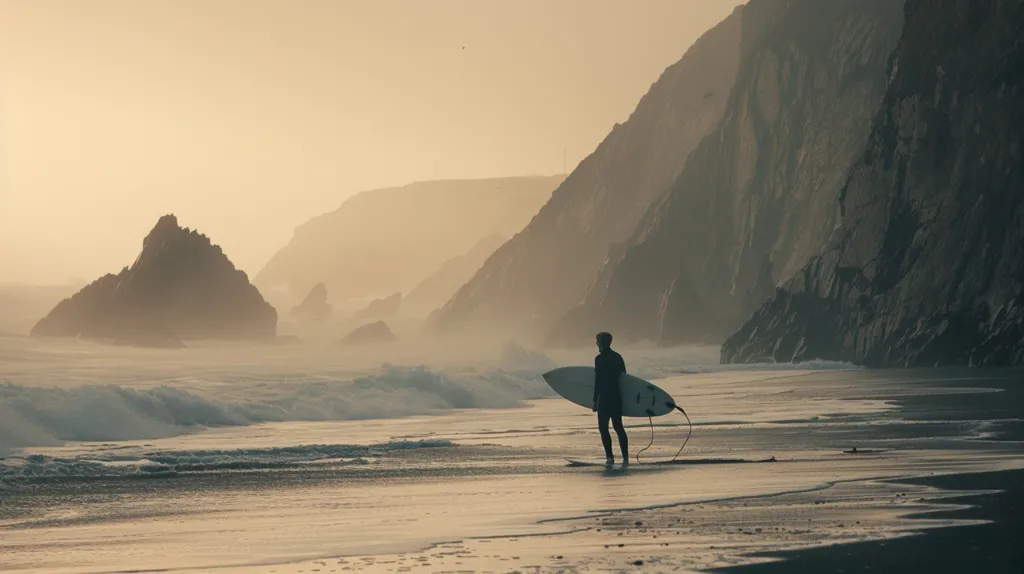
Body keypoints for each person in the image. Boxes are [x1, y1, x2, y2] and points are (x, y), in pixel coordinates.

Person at [592, 331, 628, 465]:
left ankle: (610, 457)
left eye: (597, 340)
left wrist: (595, 400)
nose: (596, 343)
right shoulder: (618, 357)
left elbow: (598, 381)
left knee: (603, 428)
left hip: (605, 398)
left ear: (600, 342)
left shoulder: (599, 359)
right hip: (616, 396)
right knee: (618, 427)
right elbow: (625, 378)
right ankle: (625, 457)